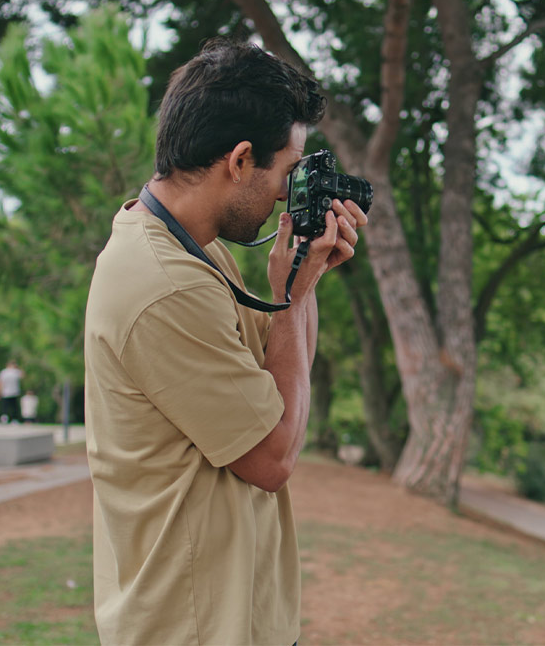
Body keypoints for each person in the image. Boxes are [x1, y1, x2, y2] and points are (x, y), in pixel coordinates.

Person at [84, 37, 366, 645]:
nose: (287, 195)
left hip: (238, 611)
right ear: (240, 161)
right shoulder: (164, 284)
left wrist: (304, 278)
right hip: (194, 625)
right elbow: (273, 456)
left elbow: (278, 374)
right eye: (286, 172)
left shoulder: (196, 245)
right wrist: (294, 297)